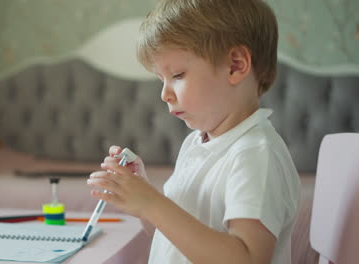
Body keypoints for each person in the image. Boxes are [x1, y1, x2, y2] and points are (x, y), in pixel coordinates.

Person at [87, 0, 300, 263]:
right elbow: (175, 241)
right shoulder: (195, 143)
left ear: (235, 65)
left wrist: (152, 203)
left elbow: (248, 258)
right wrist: (142, 199)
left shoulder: (255, 155)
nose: (165, 94)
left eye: (177, 75)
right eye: (160, 79)